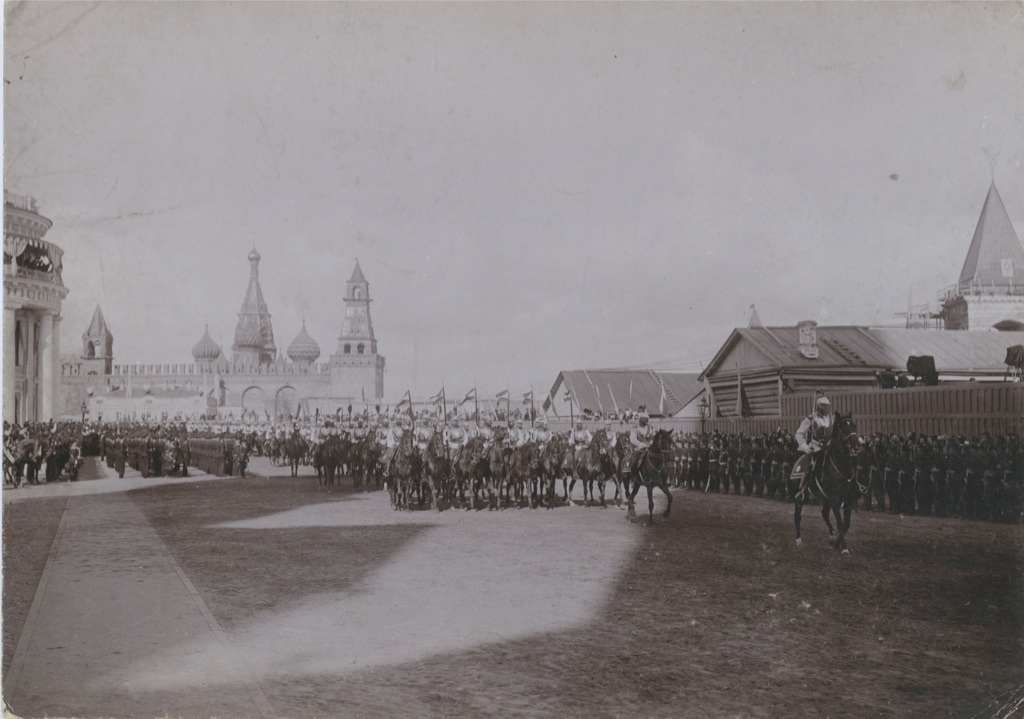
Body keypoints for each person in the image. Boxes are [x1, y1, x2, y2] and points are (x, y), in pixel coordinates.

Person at [793, 395, 835, 499]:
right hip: (815, 447)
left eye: (826, 406)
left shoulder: (832, 418)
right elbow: (799, 434)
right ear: (818, 406)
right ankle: (802, 490)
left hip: (829, 446)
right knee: (812, 466)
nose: (825, 408)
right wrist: (805, 447)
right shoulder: (811, 418)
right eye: (823, 405)